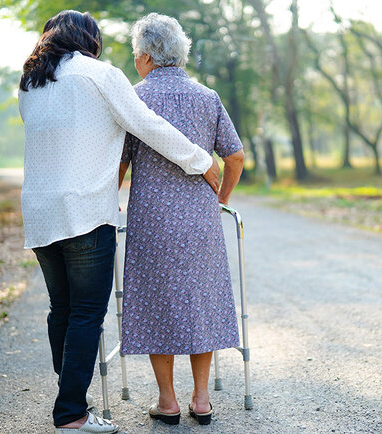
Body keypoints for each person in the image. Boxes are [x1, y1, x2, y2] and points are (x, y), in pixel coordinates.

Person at [18, 10, 220, 433]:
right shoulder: (100, 74)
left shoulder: (31, 81)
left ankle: (73, 397)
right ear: (89, 40)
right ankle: (71, 413)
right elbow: (147, 125)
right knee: (88, 313)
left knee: (62, 309)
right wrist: (201, 160)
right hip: (86, 210)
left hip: (40, 211)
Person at [118, 13, 245, 426]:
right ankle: (203, 399)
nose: (136, 59)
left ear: (148, 57)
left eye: (137, 52)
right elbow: (235, 156)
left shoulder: (133, 98)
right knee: (200, 302)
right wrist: (221, 198)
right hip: (200, 221)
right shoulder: (207, 97)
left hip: (152, 220)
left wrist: (111, 199)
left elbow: (119, 162)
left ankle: (168, 401)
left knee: (158, 302)